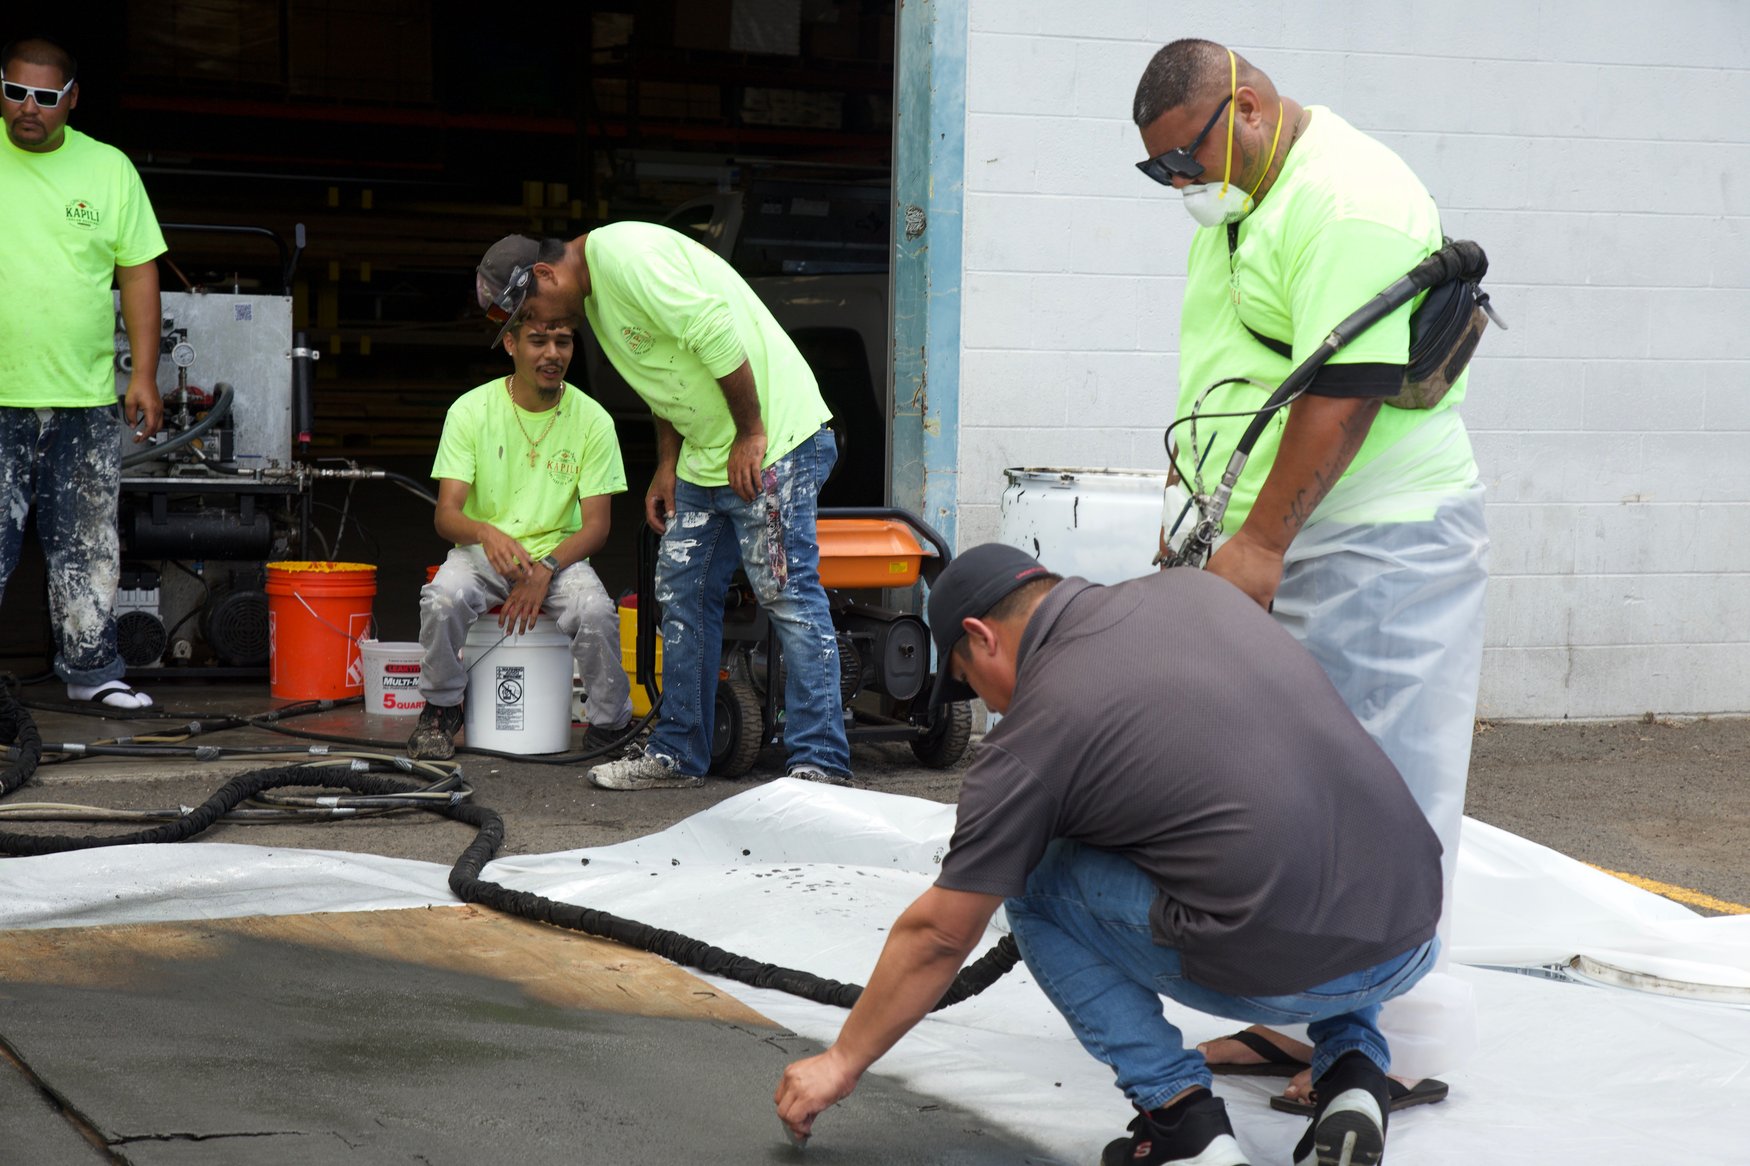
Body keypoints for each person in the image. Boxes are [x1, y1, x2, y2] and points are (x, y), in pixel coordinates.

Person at [775, 543, 1442, 1166]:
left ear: (981, 637)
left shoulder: (1034, 737)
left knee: (1031, 881)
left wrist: (841, 1061)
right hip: (1409, 927)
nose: (984, 703)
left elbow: (938, 936)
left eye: (968, 680)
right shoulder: (1196, 592)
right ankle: (1353, 1066)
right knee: (1286, 840)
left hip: (1289, 960)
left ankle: (1181, 1119)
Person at [1132, 40, 1490, 1108]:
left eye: (1182, 160)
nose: (1179, 185)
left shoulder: (1348, 198)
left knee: (1380, 789)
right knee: (1278, 786)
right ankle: (1297, 1021)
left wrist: (1259, 544)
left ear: (1244, 107)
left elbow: (1344, 392)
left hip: (1378, 538)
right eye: (1160, 173)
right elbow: (1228, 363)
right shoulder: (1248, 193)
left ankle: (1366, 1038)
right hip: (1283, 534)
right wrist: (1192, 516)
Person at [472, 225, 851, 789]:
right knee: (681, 591)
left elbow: (715, 333)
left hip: (774, 440)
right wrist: (668, 463)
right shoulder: (593, 295)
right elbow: (663, 378)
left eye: (529, 309)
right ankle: (678, 755)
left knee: (786, 592)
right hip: (708, 453)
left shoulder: (627, 258)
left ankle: (821, 761)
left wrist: (751, 432)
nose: (536, 326)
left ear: (547, 275)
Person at [0, 36, 164, 710]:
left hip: (83, 395)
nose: (27, 108)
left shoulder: (109, 169)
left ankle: (93, 671)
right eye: (14, 92)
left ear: (71, 99)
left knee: (86, 545)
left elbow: (138, 271)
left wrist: (145, 373)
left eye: (44, 96)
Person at [407, 316, 632, 760]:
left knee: (596, 612)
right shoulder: (470, 411)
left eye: (563, 342)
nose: (553, 354)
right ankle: (441, 708)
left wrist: (547, 568)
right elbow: (446, 514)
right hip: (481, 553)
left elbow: (596, 527)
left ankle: (610, 725)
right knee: (442, 599)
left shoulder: (594, 420)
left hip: (559, 557)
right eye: (538, 341)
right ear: (510, 344)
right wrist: (484, 532)